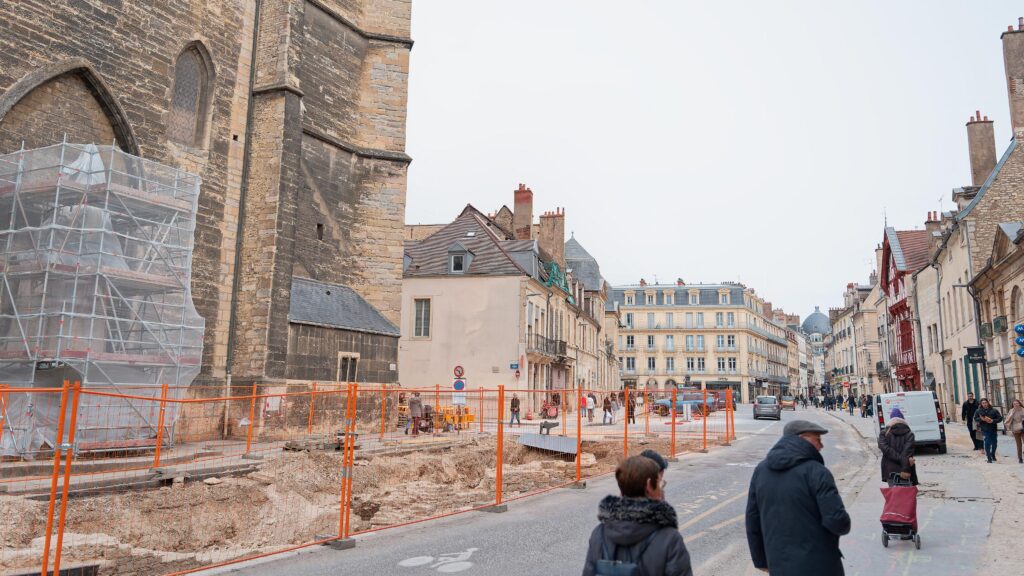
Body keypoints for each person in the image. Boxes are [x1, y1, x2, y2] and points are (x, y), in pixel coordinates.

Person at [746, 420, 850, 576]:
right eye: (818, 440)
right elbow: (837, 520)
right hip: (820, 565)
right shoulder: (817, 472)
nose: (821, 446)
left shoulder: (761, 470)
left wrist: (761, 560)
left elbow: (753, 519)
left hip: (779, 564)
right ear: (802, 438)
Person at [582, 454, 693, 576]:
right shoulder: (670, 539)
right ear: (649, 485)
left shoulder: (599, 534)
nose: (661, 490)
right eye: (660, 483)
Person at [878, 408, 917, 485]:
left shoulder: (884, 433)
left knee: (895, 494)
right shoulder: (910, 434)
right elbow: (907, 452)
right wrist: (904, 460)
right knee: (906, 494)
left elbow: (886, 450)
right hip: (906, 468)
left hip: (890, 469)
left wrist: (900, 458)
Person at [975, 398, 1003, 463]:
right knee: (987, 443)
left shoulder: (994, 410)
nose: (984, 404)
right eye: (983, 403)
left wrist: (993, 420)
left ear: (988, 403)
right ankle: (989, 458)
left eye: (985, 402)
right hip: (984, 429)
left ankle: (992, 454)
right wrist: (982, 419)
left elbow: (1000, 418)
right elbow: (975, 418)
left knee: (994, 443)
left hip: (993, 429)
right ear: (981, 404)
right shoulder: (978, 411)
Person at [1006, 399, 1024, 464]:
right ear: (1013, 405)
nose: (1016, 405)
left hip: (1023, 428)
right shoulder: (1011, 410)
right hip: (1016, 429)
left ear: (1019, 403)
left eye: (1017, 403)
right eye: (1014, 404)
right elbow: (1007, 420)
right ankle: (1020, 458)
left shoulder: (1022, 409)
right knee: (1019, 444)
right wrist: (1012, 414)